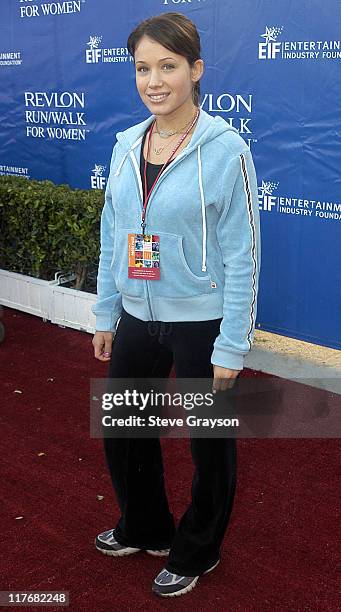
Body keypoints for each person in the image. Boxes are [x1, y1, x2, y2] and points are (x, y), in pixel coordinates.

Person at [91, 12, 261, 598]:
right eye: (143, 67)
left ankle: (199, 548)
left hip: (201, 321)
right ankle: (146, 525)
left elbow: (243, 254)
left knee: (208, 442)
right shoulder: (125, 145)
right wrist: (105, 311)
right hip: (138, 314)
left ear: (196, 70)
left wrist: (231, 343)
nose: (154, 80)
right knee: (123, 427)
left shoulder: (226, 150)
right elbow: (116, 232)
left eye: (168, 66)